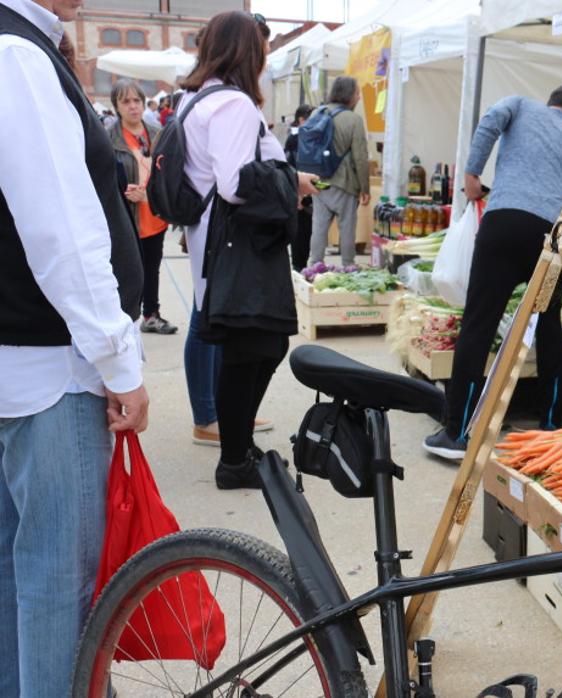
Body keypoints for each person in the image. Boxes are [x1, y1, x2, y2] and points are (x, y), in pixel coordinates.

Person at [0, 0, 150, 694]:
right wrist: (119, 360)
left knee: (16, 581)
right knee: (57, 593)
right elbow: (62, 230)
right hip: (48, 369)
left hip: (22, 362)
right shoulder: (19, 54)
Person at [423, 84, 562, 460]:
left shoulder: (520, 104)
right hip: (548, 238)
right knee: (550, 326)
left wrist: (473, 172)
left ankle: (459, 433)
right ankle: (552, 425)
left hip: (503, 224)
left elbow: (491, 120)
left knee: (479, 324)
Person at [178, 10, 313, 488]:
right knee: (253, 349)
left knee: (261, 345)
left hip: (219, 244)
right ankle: (235, 458)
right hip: (242, 246)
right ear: (246, 51)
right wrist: (284, 177)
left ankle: (238, 446)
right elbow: (236, 184)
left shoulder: (195, 98)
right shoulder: (233, 104)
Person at [109, 78, 177, 335]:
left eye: (137, 100)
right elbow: (103, 177)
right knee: (126, 271)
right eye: (126, 101)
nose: (133, 106)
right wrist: (123, 191)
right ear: (116, 106)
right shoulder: (110, 138)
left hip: (154, 214)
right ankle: (126, 318)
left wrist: (152, 194)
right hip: (127, 217)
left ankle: (151, 314)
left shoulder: (156, 131)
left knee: (152, 268)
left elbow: (167, 171)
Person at [308, 76, 370, 267]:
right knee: (347, 227)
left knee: (319, 226)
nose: (359, 97)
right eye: (357, 93)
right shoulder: (353, 120)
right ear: (349, 94)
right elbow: (360, 158)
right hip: (342, 182)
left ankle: (314, 265)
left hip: (319, 181)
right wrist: (364, 189)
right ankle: (348, 266)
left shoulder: (316, 113)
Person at [286, 103, 315, 271]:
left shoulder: (304, 137)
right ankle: (299, 267)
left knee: (307, 230)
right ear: (301, 120)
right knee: (301, 231)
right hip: (299, 190)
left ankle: (301, 266)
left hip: (306, 189)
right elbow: (290, 164)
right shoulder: (295, 138)